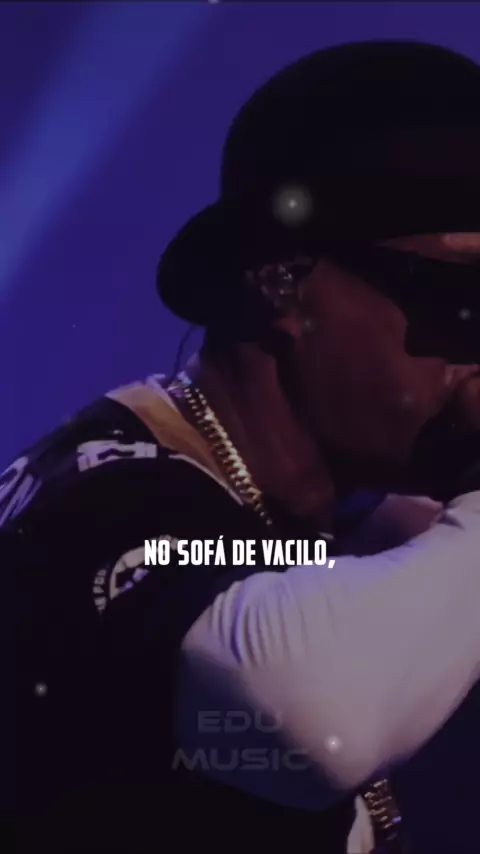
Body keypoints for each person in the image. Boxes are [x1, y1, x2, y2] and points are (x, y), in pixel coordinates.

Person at [6, 39, 480, 854]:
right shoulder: (100, 498)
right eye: (463, 299)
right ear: (283, 284)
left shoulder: (352, 532)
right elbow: (311, 714)